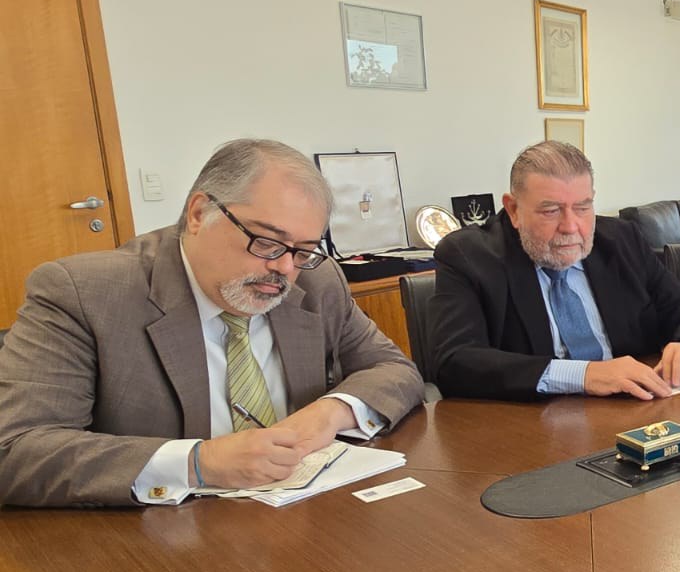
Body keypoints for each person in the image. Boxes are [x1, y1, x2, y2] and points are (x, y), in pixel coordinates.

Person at [0, 139, 424, 507]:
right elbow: (15, 451)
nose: (282, 269)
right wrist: (199, 463)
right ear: (200, 213)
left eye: (302, 250)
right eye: (266, 241)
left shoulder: (315, 279)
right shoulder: (83, 293)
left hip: (304, 522)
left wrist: (332, 412)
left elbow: (395, 370)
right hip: (156, 546)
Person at [429, 141, 680, 401]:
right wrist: (584, 375)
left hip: (637, 412)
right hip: (532, 430)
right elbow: (456, 362)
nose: (571, 227)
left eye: (583, 208)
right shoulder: (468, 256)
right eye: (551, 211)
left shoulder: (622, 240)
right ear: (514, 210)